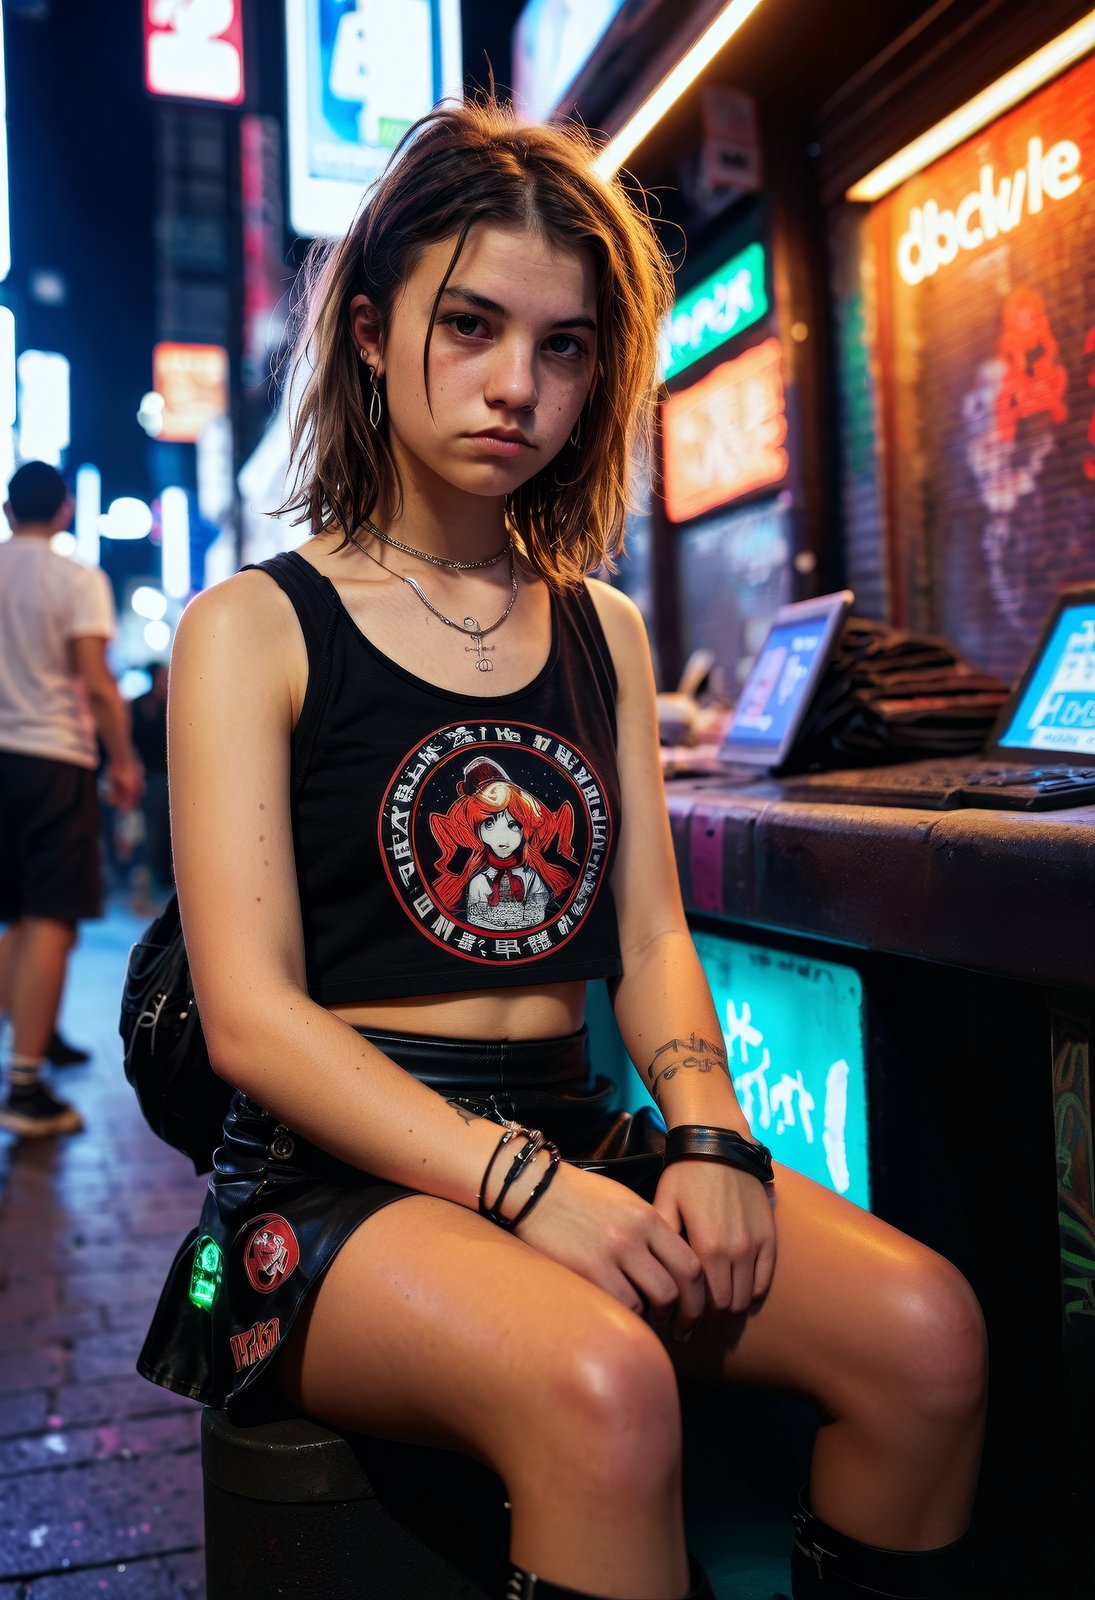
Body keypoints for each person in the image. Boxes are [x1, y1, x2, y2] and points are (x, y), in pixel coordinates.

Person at [137, 101, 986, 1600]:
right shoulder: (249, 628)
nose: (513, 387)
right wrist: (528, 1193)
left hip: (574, 1130)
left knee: (923, 1335)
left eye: (563, 346)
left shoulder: (600, 625)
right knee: (606, 1390)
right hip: (335, 1182)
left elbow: (650, 938)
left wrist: (712, 1139)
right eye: (468, 325)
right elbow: (254, 1021)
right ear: (371, 331)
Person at [0, 461, 143, 1136]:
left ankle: (34, 1040)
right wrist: (122, 759)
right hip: (54, 758)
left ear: (6, 510)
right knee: (51, 916)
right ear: (63, 511)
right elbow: (94, 679)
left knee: (17, 919)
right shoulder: (77, 578)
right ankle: (25, 1085)